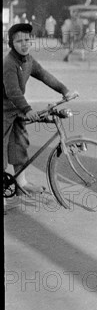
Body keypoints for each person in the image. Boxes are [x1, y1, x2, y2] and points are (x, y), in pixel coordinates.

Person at [3, 23, 77, 197]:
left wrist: (64, 90)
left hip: (17, 111)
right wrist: (28, 109)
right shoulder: (8, 63)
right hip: (4, 111)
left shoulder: (28, 60)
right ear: (11, 43)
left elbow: (44, 75)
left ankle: (21, 184)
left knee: (19, 146)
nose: (24, 44)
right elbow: (12, 91)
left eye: (27, 40)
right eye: (19, 41)